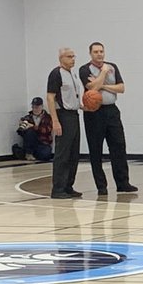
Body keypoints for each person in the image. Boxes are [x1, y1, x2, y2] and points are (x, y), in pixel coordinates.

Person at [79, 43, 137, 195]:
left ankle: (123, 183)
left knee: (119, 145)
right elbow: (92, 88)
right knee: (95, 149)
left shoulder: (113, 66)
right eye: (96, 52)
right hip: (94, 113)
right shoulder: (84, 69)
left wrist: (102, 85)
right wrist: (103, 74)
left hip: (112, 110)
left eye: (101, 51)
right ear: (90, 53)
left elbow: (121, 88)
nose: (99, 54)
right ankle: (101, 186)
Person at [46, 47, 83, 199]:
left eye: (74, 56)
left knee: (74, 153)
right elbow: (50, 98)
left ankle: (68, 185)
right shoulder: (56, 74)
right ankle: (58, 189)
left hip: (74, 115)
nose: (73, 59)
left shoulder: (72, 74)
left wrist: (82, 105)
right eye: (69, 56)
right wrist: (55, 121)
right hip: (63, 116)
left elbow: (72, 96)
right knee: (62, 153)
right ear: (61, 58)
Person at [16, 97, 53, 162]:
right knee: (29, 132)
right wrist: (23, 126)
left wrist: (33, 126)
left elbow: (46, 130)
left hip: (43, 143)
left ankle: (27, 153)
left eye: (37, 107)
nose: (35, 109)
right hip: (31, 143)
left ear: (42, 106)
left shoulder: (48, 117)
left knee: (46, 154)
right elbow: (21, 133)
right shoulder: (28, 117)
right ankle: (28, 153)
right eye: (33, 107)